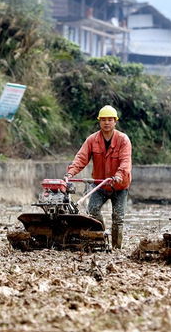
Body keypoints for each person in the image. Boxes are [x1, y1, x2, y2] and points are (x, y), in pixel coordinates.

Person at [65, 105, 132, 249]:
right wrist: (70, 173)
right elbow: (81, 158)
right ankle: (101, 236)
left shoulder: (123, 140)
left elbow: (126, 161)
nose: (106, 123)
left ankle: (116, 247)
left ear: (115, 121)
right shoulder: (92, 140)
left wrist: (119, 175)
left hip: (119, 185)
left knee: (118, 217)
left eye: (109, 120)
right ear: (99, 121)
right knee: (92, 210)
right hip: (100, 184)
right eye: (103, 120)